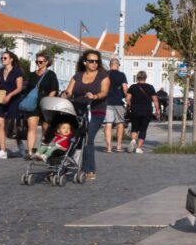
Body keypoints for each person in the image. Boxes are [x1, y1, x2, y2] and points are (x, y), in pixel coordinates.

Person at [61, 49, 109, 179]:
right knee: (73, 138)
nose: (94, 63)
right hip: (78, 110)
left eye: (96, 61)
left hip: (96, 111)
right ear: (85, 62)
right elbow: (69, 91)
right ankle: (64, 164)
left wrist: (94, 96)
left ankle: (89, 169)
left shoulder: (103, 76)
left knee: (88, 138)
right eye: (91, 61)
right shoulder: (77, 76)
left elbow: (104, 92)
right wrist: (65, 94)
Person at [22, 51, 59, 159]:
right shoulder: (33, 75)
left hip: (45, 104)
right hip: (33, 104)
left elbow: (54, 89)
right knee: (31, 127)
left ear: (47, 62)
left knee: (45, 127)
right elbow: (28, 89)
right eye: (37, 61)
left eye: (41, 61)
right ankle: (29, 152)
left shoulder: (51, 74)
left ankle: (44, 149)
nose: (38, 63)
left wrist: (48, 101)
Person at [0, 51, 24, 159]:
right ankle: (2, 150)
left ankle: (20, 144)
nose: (3, 60)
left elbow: (19, 88)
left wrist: (9, 95)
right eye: (2, 58)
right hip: (0, 100)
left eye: (5, 58)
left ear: (11, 59)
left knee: (12, 127)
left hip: (13, 100)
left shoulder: (17, 72)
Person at [125, 70, 159, 153]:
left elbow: (127, 99)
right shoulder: (150, 87)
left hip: (135, 110)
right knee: (143, 129)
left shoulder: (133, 87)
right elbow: (155, 100)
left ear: (137, 78)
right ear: (145, 78)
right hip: (147, 111)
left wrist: (129, 105)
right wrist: (157, 110)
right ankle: (139, 148)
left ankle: (133, 140)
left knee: (135, 128)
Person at [104, 57, 129, 153]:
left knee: (108, 123)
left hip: (107, 102)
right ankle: (118, 146)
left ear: (110, 65)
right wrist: (127, 98)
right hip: (118, 102)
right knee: (120, 123)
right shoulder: (122, 75)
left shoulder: (105, 74)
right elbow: (125, 88)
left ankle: (109, 147)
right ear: (118, 65)